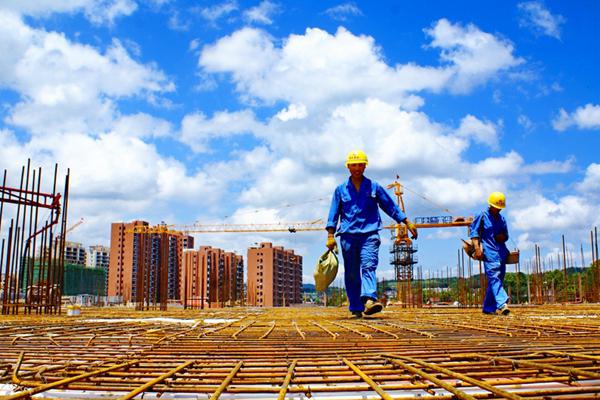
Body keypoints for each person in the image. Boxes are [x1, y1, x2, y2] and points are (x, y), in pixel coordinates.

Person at [326, 150, 418, 318]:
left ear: (365, 166)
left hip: (369, 234)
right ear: (348, 167)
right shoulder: (340, 190)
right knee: (352, 273)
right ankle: (355, 306)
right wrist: (330, 235)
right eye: (354, 165)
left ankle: (369, 298)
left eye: (360, 165)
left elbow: (390, 206)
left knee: (369, 266)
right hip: (348, 236)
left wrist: (406, 221)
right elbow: (333, 213)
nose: (357, 168)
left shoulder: (374, 187)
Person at [470, 191, 511, 315]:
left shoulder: (502, 219)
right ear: (490, 205)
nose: (498, 210)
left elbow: (506, 236)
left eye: (500, 208)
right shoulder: (482, 216)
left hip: (501, 253)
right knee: (494, 278)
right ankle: (502, 303)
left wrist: (502, 237)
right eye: (496, 208)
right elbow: (474, 233)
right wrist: (477, 248)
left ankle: (488, 308)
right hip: (489, 253)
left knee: (498, 280)